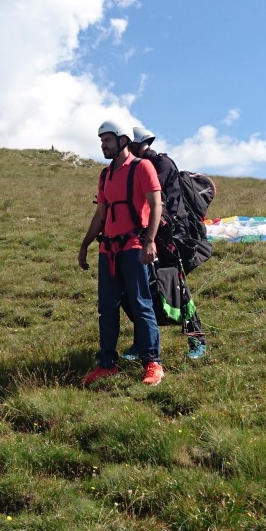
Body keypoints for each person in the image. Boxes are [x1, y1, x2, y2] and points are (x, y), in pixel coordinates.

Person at [78, 120, 165, 387]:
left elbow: (156, 204)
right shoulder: (105, 175)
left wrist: (150, 241)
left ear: (123, 140)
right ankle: (107, 364)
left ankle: (153, 363)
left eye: (107, 140)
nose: (103, 145)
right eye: (101, 141)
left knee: (141, 305)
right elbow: (101, 214)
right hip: (109, 250)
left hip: (135, 248)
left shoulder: (142, 167)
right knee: (107, 309)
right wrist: (85, 244)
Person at [128, 125, 209, 360]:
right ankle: (141, 344)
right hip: (153, 236)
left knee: (178, 288)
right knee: (143, 288)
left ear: (136, 145)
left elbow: (156, 199)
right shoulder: (141, 166)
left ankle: (197, 340)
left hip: (175, 239)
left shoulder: (161, 165)